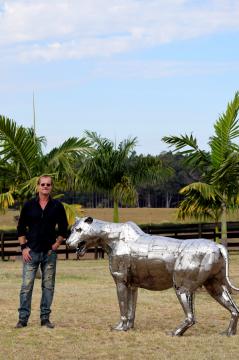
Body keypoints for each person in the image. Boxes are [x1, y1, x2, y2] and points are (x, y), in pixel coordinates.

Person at [16, 175, 68, 329]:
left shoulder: (57, 206)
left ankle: (45, 319)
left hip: (49, 253)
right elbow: (20, 228)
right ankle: (22, 319)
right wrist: (24, 248)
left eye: (48, 184)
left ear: (51, 187)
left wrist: (56, 244)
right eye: (43, 184)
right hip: (31, 252)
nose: (45, 187)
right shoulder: (28, 206)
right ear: (38, 186)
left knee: (48, 286)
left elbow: (64, 228)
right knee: (26, 286)